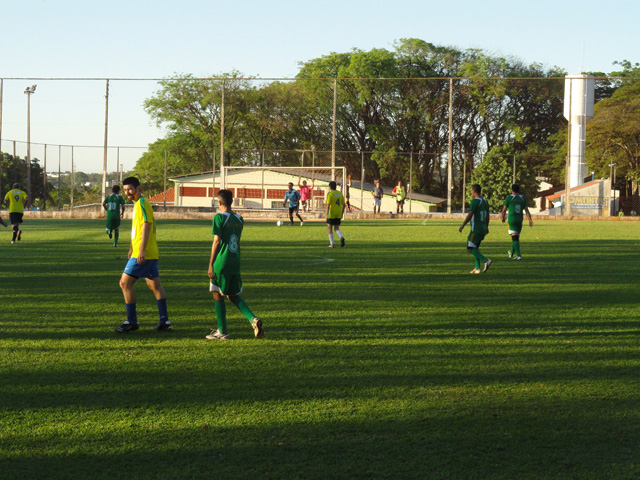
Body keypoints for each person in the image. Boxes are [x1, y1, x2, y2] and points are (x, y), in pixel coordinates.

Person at [115, 176, 172, 333]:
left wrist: (140, 250)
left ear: (138, 188)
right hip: (148, 252)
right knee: (155, 285)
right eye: (125, 190)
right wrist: (131, 247)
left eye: (130, 189)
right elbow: (137, 229)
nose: (127, 192)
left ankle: (131, 321)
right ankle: (165, 321)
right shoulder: (137, 204)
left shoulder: (142, 203)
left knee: (125, 283)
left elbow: (147, 225)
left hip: (144, 253)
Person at [206, 189, 264, 341]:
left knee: (217, 293)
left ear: (219, 202)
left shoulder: (219, 217)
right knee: (232, 295)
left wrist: (211, 264)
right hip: (235, 262)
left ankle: (222, 331)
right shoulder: (239, 219)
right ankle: (253, 319)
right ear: (232, 201)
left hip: (222, 262)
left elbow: (217, 241)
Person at [459, 184, 492, 274]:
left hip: (476, 229)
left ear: (473, 191)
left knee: (469, 248)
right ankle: (477, 268)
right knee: (475, 247)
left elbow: (470, 214)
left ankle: (486, 261)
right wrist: (486, 227)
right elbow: (487, 216)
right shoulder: (485, 201)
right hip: (482, 228)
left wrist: (463, 225)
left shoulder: (474, 201)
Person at [500, 184, 533, 261]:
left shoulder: (509, 198)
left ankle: (519, 255)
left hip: (512, 220)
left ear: (512, 190)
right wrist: (530, 220)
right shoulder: (522, 198)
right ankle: (511, 253)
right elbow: (526, 210)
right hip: (519, 220)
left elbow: (504, 210)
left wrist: (503, 218)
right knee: (516, 238)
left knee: (515, 238)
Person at [326, 181, 346, 248]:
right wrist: (342, 213)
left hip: (331, 213)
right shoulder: (340, 194)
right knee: (336, 228)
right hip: (338, 213)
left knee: (329, 227)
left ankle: (332, 244)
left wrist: (326, 215)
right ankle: (341, 237)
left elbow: (328, 205)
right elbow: (344, 205)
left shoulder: (330, 194)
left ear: (330, 187)